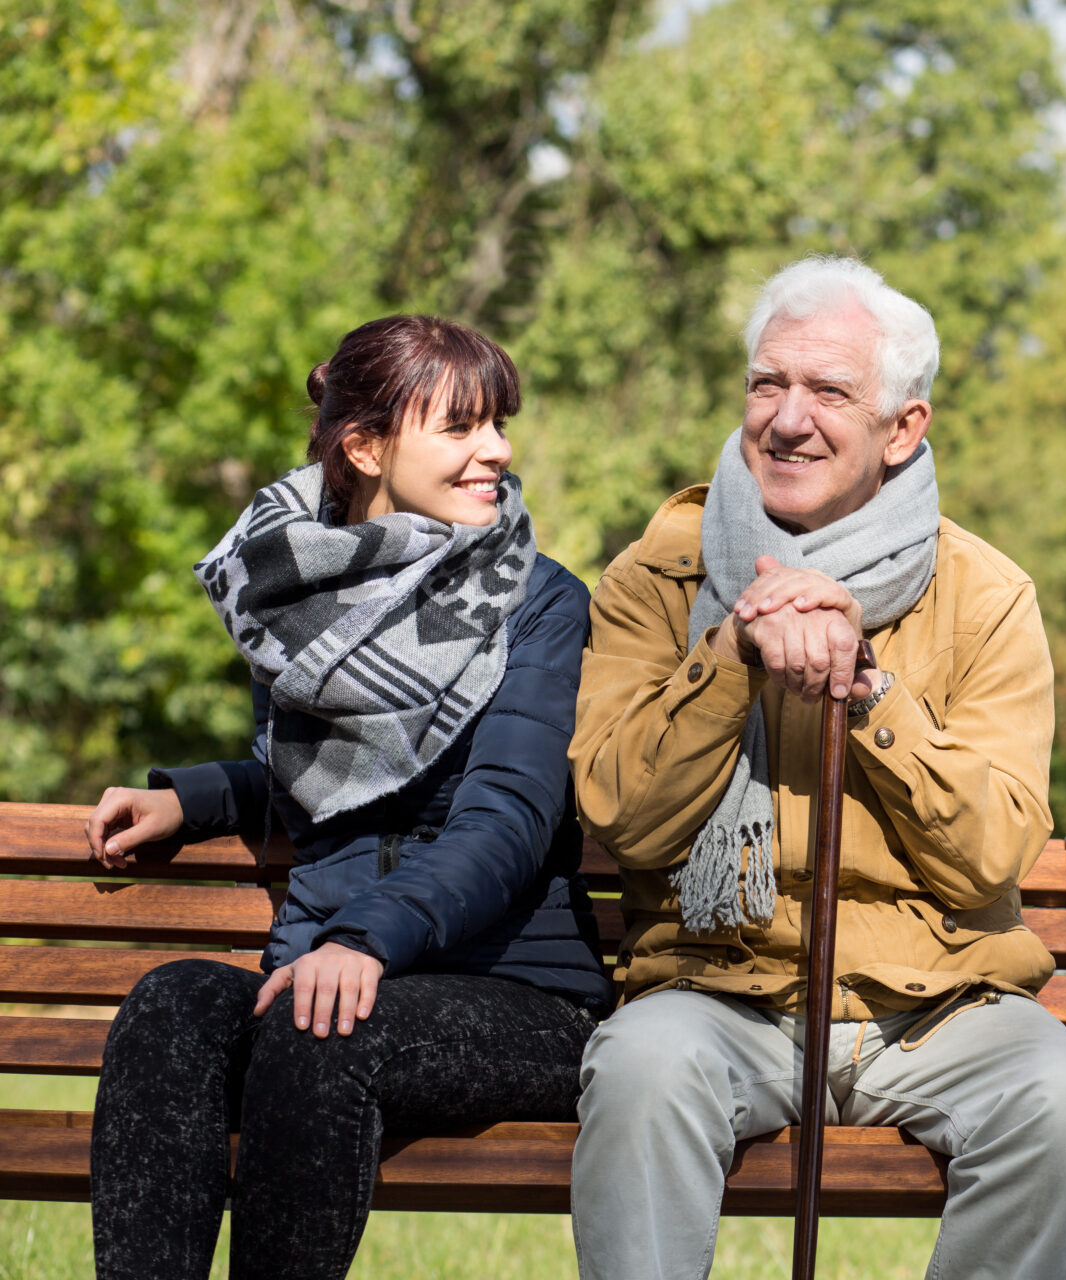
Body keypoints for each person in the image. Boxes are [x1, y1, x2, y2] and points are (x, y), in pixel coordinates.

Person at [568, 256, 1066, 1279]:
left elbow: (993, 853)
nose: (788, 419)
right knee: (643, 1068)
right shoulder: (659, 574)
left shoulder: (986, 595)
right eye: (766, 383)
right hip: (719, 994)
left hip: (936, 1008)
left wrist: (871, 695)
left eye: (829, 391)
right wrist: (733, 653)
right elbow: (625, 816)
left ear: (902, 429)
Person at [85, 315, 613, 1280]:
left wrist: (364, 937)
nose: (496, 449)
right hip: (330, 975)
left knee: (321, 1032)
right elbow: (351, 772)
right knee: (171, 1006)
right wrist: (203, 799)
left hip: (518, 993)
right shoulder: (301, 600)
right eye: (460, 427)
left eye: (497, 422)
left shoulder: (538, 601)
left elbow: (509, 813)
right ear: (366, 447)